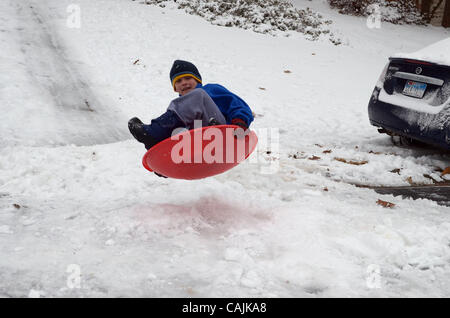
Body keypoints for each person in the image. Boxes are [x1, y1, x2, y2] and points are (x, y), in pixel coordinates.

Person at [128, 60, 254, 151]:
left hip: (227, 135)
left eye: (188, 78)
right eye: (178, 81)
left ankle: (153, 132)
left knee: (197, 95)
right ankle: (158, 143)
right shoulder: (180, 109)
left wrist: (239, 122)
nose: (184, 83)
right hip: (203, 146)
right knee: (179, 128)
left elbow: (239, 106)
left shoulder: (210, 90)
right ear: (175, 88)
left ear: (197, 80)